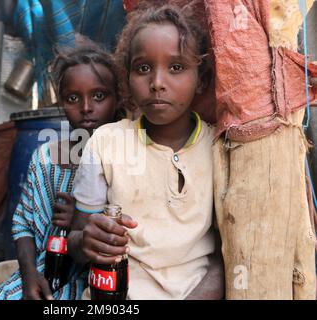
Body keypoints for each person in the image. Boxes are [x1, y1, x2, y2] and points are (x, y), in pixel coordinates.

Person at [68, 3, 225, 299]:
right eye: (143, 68)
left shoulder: (220, 146)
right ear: (127, 78)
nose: (157, 83)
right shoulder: (105, 143)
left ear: (201, 79)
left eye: (176, 67)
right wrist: (87, 241)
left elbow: (225, 254)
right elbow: (77, 241)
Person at [0, 39, 122, 300]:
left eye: (99, 96)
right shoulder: (46, 158)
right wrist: (28, 277)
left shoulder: (127, 159)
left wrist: (81, 221)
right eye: (73, 98)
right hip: (43, 273)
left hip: (99, 282)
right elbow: (23, 223)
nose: (86, 108)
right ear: (61, 102)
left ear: (117, 98)